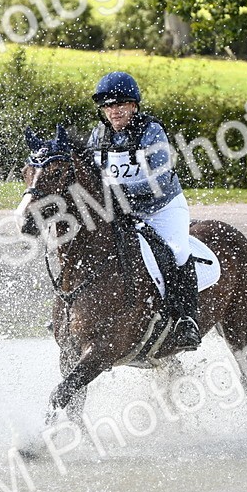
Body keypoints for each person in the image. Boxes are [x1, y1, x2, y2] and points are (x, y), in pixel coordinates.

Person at [87, 71, 202, 351]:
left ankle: (186, 320)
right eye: (108, 106)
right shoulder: (98, 135)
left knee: (176, 251)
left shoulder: (151, 131)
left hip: (161, 209)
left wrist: (119, 192)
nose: (114, 111)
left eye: (120, 104)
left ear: (134, 106)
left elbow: (160, 180)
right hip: (121, 212)